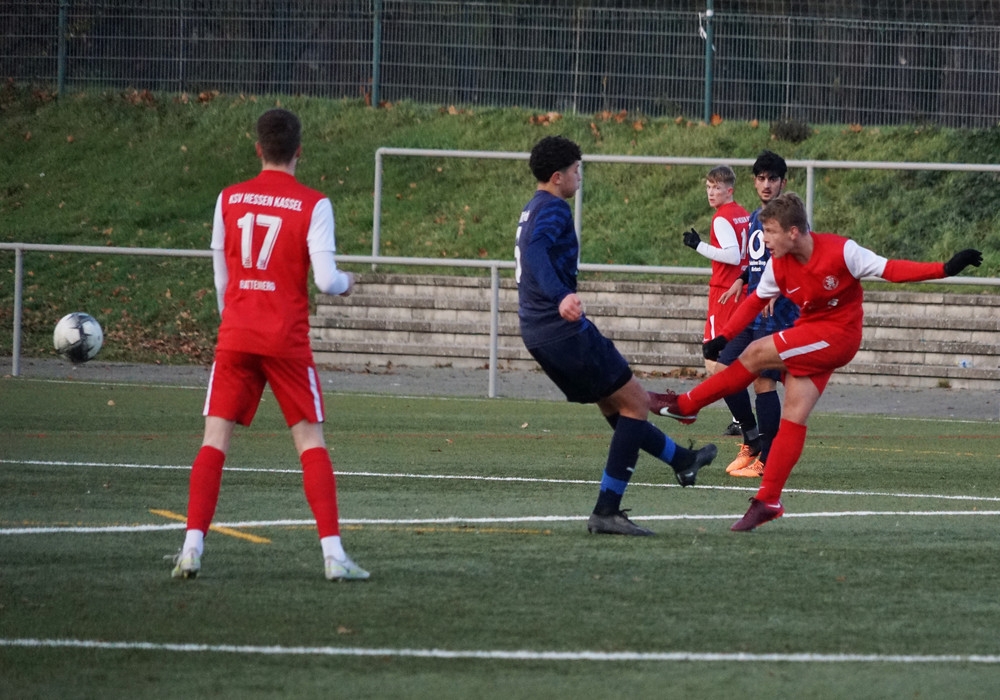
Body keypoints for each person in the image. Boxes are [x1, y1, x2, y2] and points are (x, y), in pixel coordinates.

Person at [652, 192, 982, 531]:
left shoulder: (843, 252)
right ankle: (768, 501)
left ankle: (686, 406)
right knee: (794, 414)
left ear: (793, 232)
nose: (764, 240)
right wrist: (723, 337)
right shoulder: (777, 264)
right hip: (810, 330)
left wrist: (946, 268)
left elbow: (892, 269)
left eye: (770, 232)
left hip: (840, 336)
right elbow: (753, 302)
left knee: (755, 353)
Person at [170, 108, 369, 581]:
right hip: (285, 339)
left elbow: (222, 279)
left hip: (237, 333)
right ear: (299, 151)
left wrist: (236, 320)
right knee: (310, 442)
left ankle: (191, 548)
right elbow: (325, 280)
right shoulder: (314, 204)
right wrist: (348, 282)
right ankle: (333, 555)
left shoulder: (228, 198)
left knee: (214, 441)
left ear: (258, 149)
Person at [516, 135, 717, 537]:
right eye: (576, 170)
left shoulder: (533, 206)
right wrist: (561, 297)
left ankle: (682, 460)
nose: (580, 176)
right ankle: (606, 511)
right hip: (560, 329)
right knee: (636, 404)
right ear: (557, 177)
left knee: (618, 404)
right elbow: (536, 253)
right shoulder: (554, 208)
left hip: (537, 331)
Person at [713, 151, 799, 478]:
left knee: (764, 382)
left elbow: (801, 260)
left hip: (777, 315)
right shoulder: (753, 219)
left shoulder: (792, 220)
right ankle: (751, 438)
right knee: (723, 372)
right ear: (754, 182)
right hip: (752, 310)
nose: (766, 184)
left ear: (783, 183)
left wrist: (778, 289)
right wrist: (741, 279)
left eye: (772, 179)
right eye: (761, 178)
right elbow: (755, 261)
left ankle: (769, 458)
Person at [681, 165, 751, 436]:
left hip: (725, 293)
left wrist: (698, 245)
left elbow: (732, 256)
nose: (711, 193)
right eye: (709, 187)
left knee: (715, 359)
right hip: (741, 290)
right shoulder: (743, 214)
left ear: (729, 190)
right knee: (732, 357)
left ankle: (741, 418)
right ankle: (741, 417)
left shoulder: (722, 218)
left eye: (717, 188)